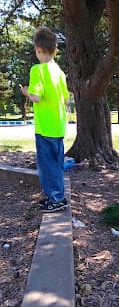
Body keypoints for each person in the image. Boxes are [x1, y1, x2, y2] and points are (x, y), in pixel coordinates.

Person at [21, 27, 69, 212]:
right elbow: (66, 99)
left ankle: (56, 199)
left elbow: (37, 97)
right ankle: (58, 196)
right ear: (55, 49)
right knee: (56, 164)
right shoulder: (59, 71)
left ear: (38, 49)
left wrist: (26, 92)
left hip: (45, 128)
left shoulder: (38, 70)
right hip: (59, 126)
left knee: (47, 165)